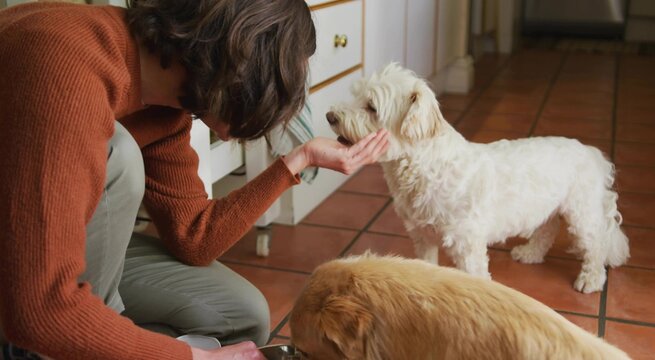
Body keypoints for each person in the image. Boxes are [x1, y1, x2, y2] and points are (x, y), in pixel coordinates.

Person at [0, 0, 390, 359]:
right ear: (241, 63)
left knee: (244, 315)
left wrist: (297, 159)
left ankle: (94, 333)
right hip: (25, 279)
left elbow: (195, 238)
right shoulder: (64, 65)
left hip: (60, 255)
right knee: (120, 155)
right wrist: (190, 358)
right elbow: (40, 307)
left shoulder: (165, 106)